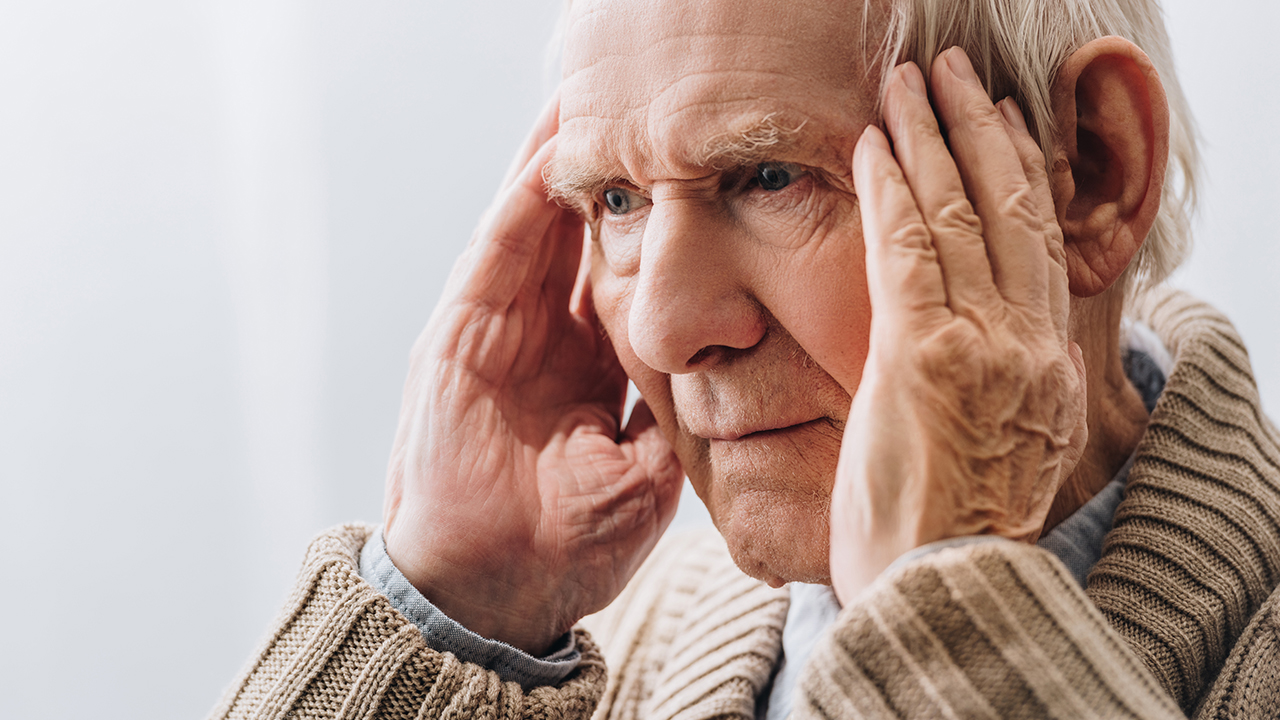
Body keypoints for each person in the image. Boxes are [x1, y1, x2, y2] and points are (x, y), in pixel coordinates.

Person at [210, 0, 1280, 718]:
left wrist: (944, 618)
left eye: (766, 176)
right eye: (616, 202)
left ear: (1087, 171)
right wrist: (450, 613)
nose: (661, 332)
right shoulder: (606, 639)